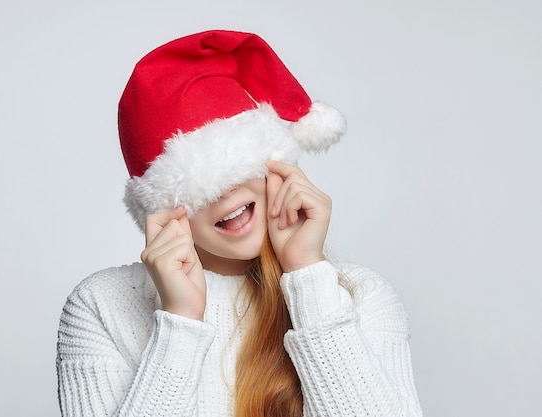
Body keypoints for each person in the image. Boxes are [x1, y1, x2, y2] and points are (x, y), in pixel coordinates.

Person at [56, 30, 423, 417]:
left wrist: (308, 279)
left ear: (276, 162)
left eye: (238, 168)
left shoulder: (361, 297)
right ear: (160, 206)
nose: (222, 194)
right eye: (195, 187)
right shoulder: (99, 305)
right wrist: (180, 323)